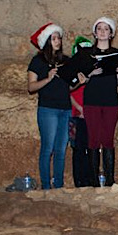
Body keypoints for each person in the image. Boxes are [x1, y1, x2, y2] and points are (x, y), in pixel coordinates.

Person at [25, 22, 71, 189]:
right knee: (48, 148)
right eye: (53, 38)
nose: (57, 41)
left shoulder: (66, 61)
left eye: (59, 38)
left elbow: (70, 85)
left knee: (61, 149)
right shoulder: (37, 61)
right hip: (48, 109)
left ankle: (58, 185)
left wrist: (79, 81)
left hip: (66, 109)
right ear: (46, 41)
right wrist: (48, 78)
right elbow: (31, 87)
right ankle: (45, 186)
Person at [83, 16, 118, 185]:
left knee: (108, 138)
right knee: (93, 138)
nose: (102, 32)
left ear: (111, 34)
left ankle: (109, 180)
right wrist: (90, 74)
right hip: (92, 100)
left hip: (110, 100)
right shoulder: (87, 54)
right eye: (99, 28)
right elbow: (81, 79)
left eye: (106, 29)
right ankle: (93, 180)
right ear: (95, 33)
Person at [66, 35, 95, 188]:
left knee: (90, 147)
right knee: (78, 148)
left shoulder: (91, 70)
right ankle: (79, 181)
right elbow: (68, 92)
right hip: (77, 115)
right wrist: (79, 109)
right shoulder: (72, 70)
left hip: (90, 113)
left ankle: (90, 179)